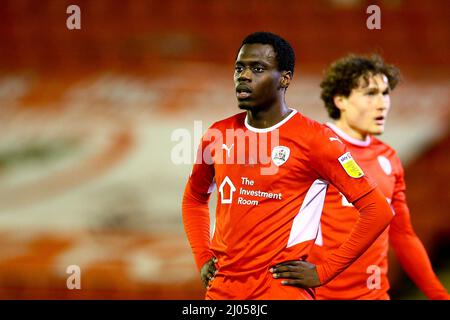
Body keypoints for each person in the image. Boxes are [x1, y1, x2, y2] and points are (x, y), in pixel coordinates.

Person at [182, 32, 394, 300]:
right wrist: (203, 257)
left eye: (257, 68)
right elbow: (194, 197)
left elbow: (377, 210)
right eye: (239, 68)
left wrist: (325, 271)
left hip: (279, 291)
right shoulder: (218, 134)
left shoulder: (316, 140)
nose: (243, 76)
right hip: (222, 291)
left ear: (285, 78)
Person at [271, 54, 450, 300]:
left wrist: (438, 295)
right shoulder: (309, 149)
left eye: (385, 93)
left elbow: (403, 235)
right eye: (370, 94)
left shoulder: (388, 158)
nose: (382, 103)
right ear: (340, 100)